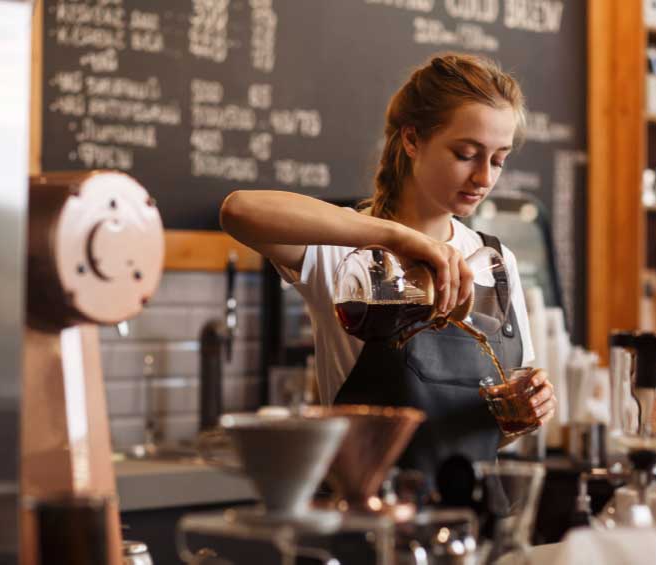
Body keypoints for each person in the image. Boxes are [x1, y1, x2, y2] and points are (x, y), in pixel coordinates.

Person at [220, 53, 556, 481]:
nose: (484, 177)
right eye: (467, 154)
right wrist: (397, 238)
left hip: (471, 519)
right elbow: (239, 211)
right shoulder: (349, 253)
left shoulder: (497, 262)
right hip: (366, 516)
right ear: (412, 140)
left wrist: (524, 411)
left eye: (498, 159)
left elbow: (489, 430)